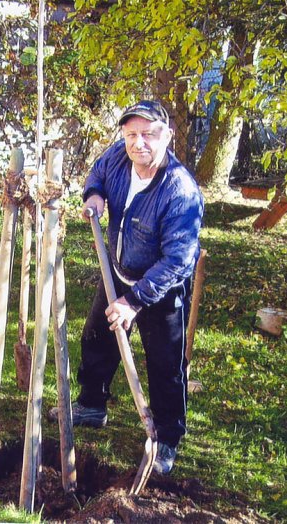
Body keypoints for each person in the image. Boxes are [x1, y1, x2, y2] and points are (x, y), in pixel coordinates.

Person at [51, 99, 204, 475]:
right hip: (118, 269)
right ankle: (92, 405)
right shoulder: (119, 156)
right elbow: (98, 174)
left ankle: (166, 438)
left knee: (165, 365)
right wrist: (94, 195)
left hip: (160, 288)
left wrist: (134, 302)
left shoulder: (180, 191)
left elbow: (179, 261)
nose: (139, 143)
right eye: (131, 134)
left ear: (167, 136)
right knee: (97, 337)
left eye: (149, 135)